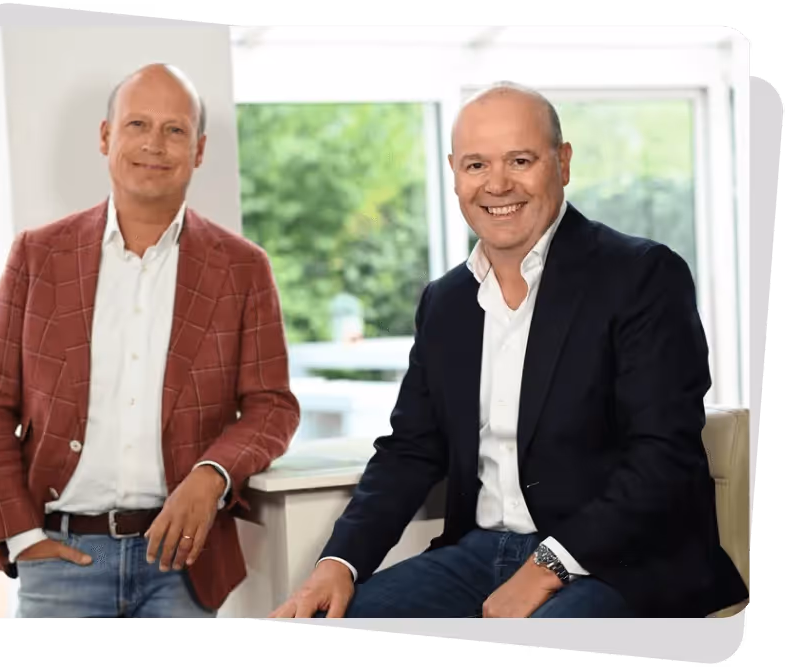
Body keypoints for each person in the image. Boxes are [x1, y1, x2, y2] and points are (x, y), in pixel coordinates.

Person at [269, 82, 749, 618]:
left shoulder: (643, 276)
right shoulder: (446, 302)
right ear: (454, 172)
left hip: (621, 561)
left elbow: (662, 457)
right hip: (477, 554)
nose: (497, 184)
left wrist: (548, 567)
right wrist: (339, 561)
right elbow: (410, 449)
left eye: (520, 160)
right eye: (476, 165)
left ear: (562, 163)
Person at [0, 63, 300, 618]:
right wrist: (22, 535)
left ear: (198, 150)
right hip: (61, 560)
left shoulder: (243, 268)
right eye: (137, 124)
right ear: (106, 137)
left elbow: (272, 406)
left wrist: (211, 474)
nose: (155, 144)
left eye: (175, 130)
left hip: (184, 564)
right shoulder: (37, 256)